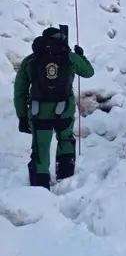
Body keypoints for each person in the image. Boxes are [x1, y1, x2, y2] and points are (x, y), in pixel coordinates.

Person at [13, 26, 94, 189]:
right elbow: (88, 72)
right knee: (65, 140)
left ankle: (40, 186)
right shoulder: (69, 57)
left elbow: (20, 91)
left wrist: (22, 116)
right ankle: (65, 179)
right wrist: (81, 56)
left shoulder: (31, 60)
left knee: (40, 147)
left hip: (38, 112)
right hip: (64, 110)